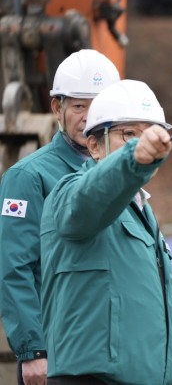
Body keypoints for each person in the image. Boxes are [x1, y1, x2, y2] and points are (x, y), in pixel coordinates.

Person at [39, 80, 172, 384]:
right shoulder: (69, 193)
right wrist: (134, 158)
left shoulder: (142, 208)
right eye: (129, 134)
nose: (142, 142)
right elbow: (90, 198)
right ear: (93, 145)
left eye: (150, 132)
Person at [0, 49, 120, 385]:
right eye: (79, 106)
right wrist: (32, 350)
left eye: (96, 107)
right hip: (57, 357)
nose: (88, 118)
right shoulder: (29, 177)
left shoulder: (120, 177)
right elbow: (15, 268)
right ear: (57, 108)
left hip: (109, 354)